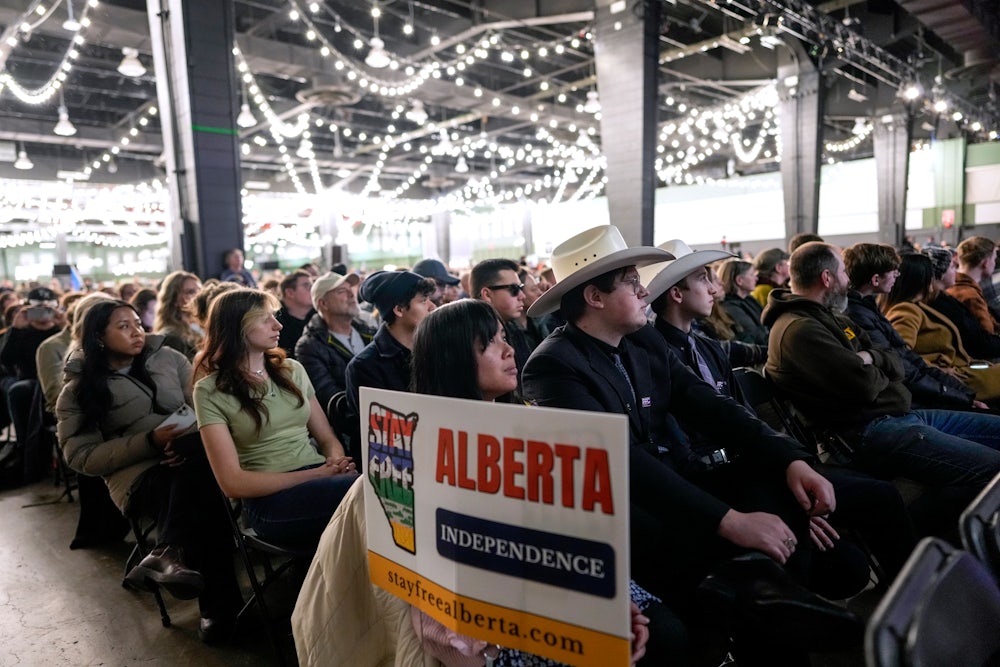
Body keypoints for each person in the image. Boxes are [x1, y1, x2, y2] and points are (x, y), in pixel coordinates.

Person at [522, 226, 861, 665]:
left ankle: (775, 606)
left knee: (775, 485)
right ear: (594, 297)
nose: (646, 291)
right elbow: (623, 465)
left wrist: (791, 459)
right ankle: (766, 608)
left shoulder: (643, 341)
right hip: (620, 513)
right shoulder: (553, 366)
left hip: (672, 486)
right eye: (630, 281)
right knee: (732, 544)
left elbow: (712, 408)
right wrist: (728, 520)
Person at [293, 299, 654, 666]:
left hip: (542, 591)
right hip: (489, 625)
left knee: (657, 629)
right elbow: (432, 597)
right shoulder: (412, 461)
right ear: (454, 360)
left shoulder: (526, 428)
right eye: (491, 342)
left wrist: (599, 602)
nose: (510, 349)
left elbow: (558, 539)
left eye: (504, 337)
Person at [641, 240, 914, 582]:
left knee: (878, 502)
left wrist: (788, 479)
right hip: (719, 484)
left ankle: (911, 596)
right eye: (702, 279)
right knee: (847, 565)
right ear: (677, 294)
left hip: (751, 467)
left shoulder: (708, 348)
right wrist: (788, 503)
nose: (714, 288)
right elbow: (691, 451)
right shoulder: (654, 359)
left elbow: (744, 419)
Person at [763, 242, 1000, 537]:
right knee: (993, 471)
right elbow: (865, 386)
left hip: (901, 416)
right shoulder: (799, 329)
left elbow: (894, 361)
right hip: (870, 432)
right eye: (843, 273)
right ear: (827, 278)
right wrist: (876, 363)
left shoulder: (833, 317)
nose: (848, 280)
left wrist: (871, 358)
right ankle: (921, 541)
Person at [57, 299, 241, 643]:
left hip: (192, 457)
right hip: (140, 479)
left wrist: (184, 440)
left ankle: (169, 553)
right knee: (206, 496)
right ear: (98, 337)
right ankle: (217, 610)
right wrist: (151, 442)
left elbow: (205, 405)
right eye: (123, 326)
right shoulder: (79, 390)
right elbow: (79, 457)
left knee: (199, 474)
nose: (136, 332)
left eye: (138, 323)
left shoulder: (170, 359)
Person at [193, 288, 358, 549]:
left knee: (378, 492)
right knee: (370, 496)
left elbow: (326, 437)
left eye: (275, 316)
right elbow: (232, 483)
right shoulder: (209, 390)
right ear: (237, 328)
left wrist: (336, 462)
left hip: (322, 479)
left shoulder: (292, 370)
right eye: (265, 319)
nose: (278, 325)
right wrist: (317, 475)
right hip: (269, 501)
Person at [843, 243, 977, 410]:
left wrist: (962, 393)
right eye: (893, 271)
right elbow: (903, 368)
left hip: (919, 392)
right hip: (908, 403)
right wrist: (960, 396)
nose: (897, 275)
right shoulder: (861, 314)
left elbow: (908, 358)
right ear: (876, 279)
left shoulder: (868, 307)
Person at [883, 253, 1000, 404]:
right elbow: (900, 355)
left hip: (961, 373)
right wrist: (939, 370)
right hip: (955, 378)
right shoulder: (906, 310)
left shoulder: (918, 306)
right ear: (922, 278)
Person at [344, 271, 436, 418]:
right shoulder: (366, 366)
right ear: (399, 310)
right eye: (423, 301)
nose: (432, 306)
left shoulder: (435, 349)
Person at [295, 271, 375, 413]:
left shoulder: (369, 331)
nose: (352, 295)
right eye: (342, 291)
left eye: (351, 289)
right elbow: (330, 398)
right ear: (323, 303)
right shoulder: (309, 347)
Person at [924, 246, 1000, 360]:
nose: (956, 271)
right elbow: (980, 343)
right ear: (941, 273)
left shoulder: (944, 297)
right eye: (952, 267)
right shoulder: (946, 302)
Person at [471, 258, 531, 379]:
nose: (522, 296)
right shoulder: (468, 334)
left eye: (521, 287)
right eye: (514, 289)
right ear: (487, 294)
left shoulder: (513, 328)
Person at [948, 236, 999, 334]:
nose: (994, 263)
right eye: (994, 259)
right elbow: (988, 336)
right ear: (985, 263)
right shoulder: (971, 297)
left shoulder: (951, 287)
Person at [718, 258, 769, 345]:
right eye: (752, 275)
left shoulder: (748, 299)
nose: (756, 278)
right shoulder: (730, 306)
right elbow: (755, 334)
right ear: (739, 280)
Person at [154, 270, 203, 360]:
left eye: (200, 290)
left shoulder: (206, 325)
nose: (199, 295)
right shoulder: (171, 337)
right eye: (191, 292)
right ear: (174, 300)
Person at [275, 270, 315, 358]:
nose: (313, 290)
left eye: (312, 286)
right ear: (289, 293)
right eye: (306, 286)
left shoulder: (318, 318)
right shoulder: (275, 323)